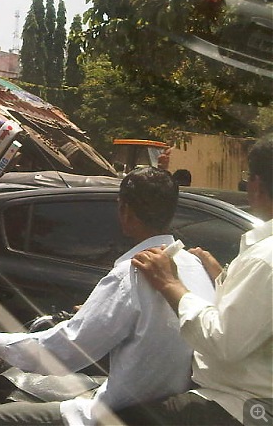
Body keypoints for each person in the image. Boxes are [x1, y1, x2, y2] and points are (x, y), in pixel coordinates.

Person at [0, 167, 215, 426]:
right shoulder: (196, 266)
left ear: (124, 209)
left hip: (124, 412)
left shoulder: (132, 273)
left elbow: (68, 349)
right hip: (170, 406)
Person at [115, 134, 273, 425]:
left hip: (238, 404)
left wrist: (170, 284)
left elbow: (223, 342)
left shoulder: (264, 258)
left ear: (257, 184)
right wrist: (222, 278)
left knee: (116, 419)